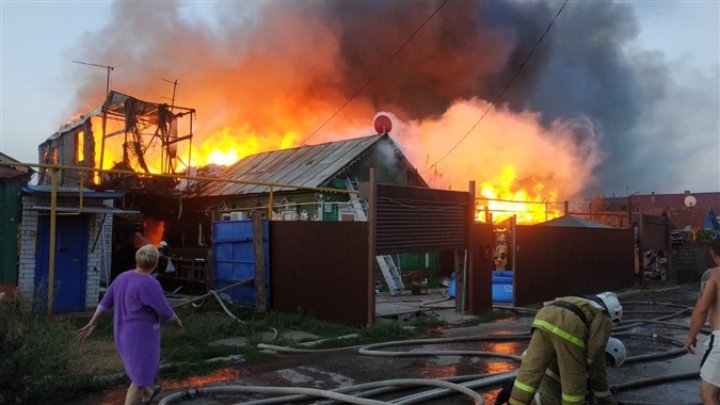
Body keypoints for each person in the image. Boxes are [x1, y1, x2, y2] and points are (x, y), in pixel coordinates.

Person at [78, 244, 183, 405]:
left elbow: (104, 304)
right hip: (141, 338)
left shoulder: (122, 277)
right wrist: (176, 321)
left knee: (138, 369)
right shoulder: (150, 284)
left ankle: (148, 393)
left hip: (122, 333)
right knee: (140, 380)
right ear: (155, 263)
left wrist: (93, 323)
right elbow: (165, 311)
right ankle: (142, 391)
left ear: (137, 260)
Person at [508, 292, 623, 405]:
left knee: (529, 374)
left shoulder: (580, 300)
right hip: (569, 326)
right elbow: (596, 349)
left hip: (543, 317)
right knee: (574, 384)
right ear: (614, 314)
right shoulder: (604, 315)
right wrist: (587, 363)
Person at [495, 337, 627, 405]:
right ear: (605, 353)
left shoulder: (588, 350)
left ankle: (518, 391)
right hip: (543, 364)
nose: (606, 366)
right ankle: (514, 391)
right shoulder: (587, 356)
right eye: (608, 362)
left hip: (540, 360)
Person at [684, 240, 720, 405]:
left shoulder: (713, 275)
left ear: (714, 254)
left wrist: (691, 336)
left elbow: (702, 309)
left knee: (708, 393)